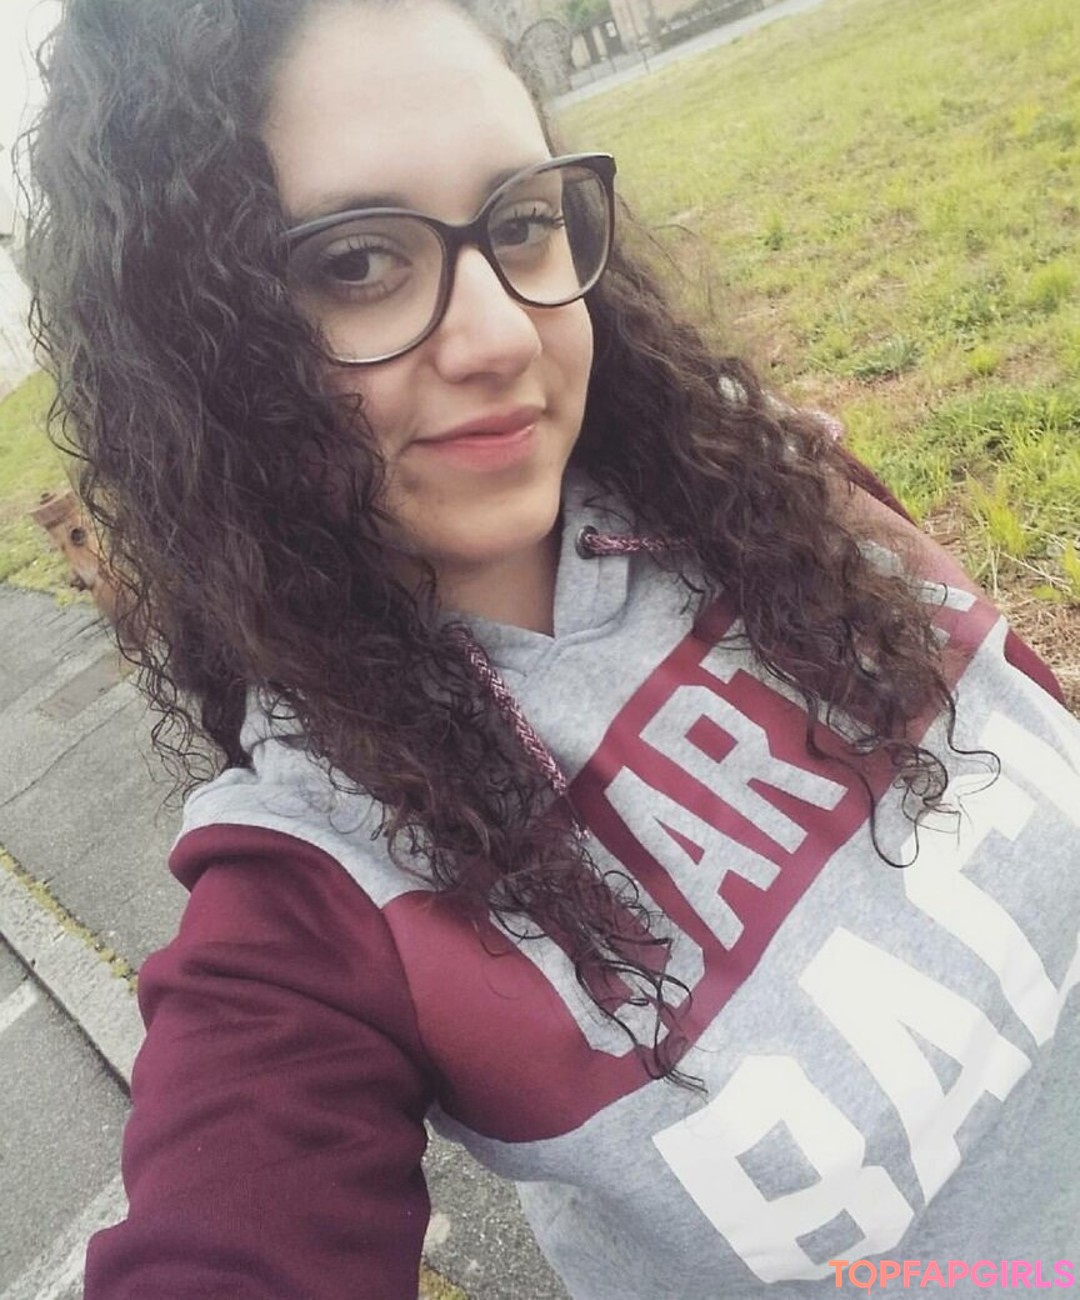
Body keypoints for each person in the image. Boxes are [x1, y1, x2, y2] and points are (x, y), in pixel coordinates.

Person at [25, 0, 1080, 1296]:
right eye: (356, 262)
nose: (503, 335)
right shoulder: (319, 893)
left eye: (522, 221)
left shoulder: (759, 482)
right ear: (198, 352)